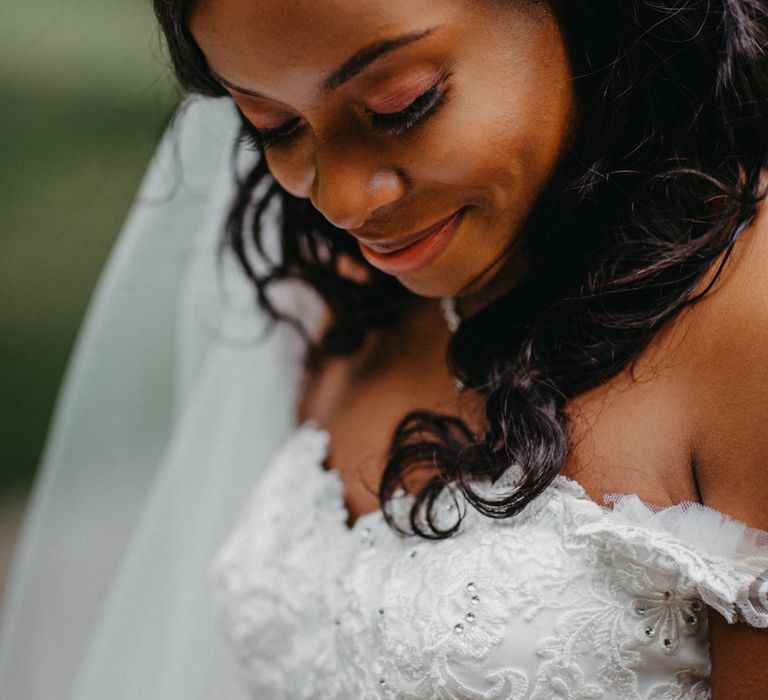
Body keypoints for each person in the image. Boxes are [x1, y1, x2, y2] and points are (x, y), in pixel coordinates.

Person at [1, 0, 767, 698]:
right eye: (275, 126)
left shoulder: (746, 318)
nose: (339, 201)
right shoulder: (328, 292)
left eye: (402, 106)